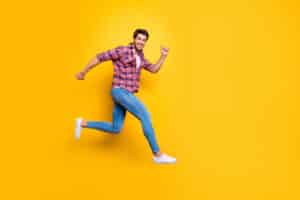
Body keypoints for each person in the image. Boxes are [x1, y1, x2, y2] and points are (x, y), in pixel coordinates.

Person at [75, 28, 176, 164]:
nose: (141, 42)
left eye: (144, 40)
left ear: (145, 42)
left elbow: (153, 69)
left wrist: (163, 56)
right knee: (145, 115)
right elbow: (100, 57)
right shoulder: (123, 50)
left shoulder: (140, 57)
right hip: (120, 91)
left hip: (125, 94)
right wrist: (83, 72)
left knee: (116, 128)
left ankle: (83, 123)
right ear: (134, 39)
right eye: (139, 39)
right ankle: (157, 154)